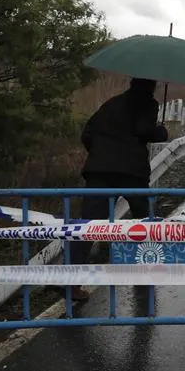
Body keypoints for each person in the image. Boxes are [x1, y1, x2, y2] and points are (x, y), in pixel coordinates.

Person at [67, 77, 169, 300]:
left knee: (89, 225)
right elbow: (144, 129)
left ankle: (71, 283)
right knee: (143, 221)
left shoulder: (111, 103)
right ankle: (147, 268)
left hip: (100, 171)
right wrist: (161, 132)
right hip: (131, 172)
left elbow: (87, 134)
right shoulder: (148, 104)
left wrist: (101, 155)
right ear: (151, 87)